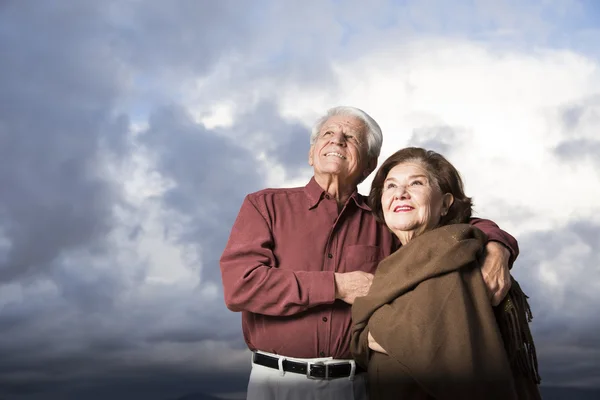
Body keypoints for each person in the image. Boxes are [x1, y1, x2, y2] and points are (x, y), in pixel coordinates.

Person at [219, 106, 520, 400]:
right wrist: (337, 285)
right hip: (276, 383)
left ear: (369, 164)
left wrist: (497, 247)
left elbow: (456, 224)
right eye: (328, 133)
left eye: (351, 138)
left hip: (356, 385)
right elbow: (240, 286)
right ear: (311, 154)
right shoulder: (265, 206)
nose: (337, 140)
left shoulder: (388, 217)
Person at [351, 147, 541, 400]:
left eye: (416, 183)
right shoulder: (408, 256)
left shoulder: (452, 256)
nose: (400, 194)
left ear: (445, 204)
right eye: (391, 186)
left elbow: (440, 345)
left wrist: (368, 333)